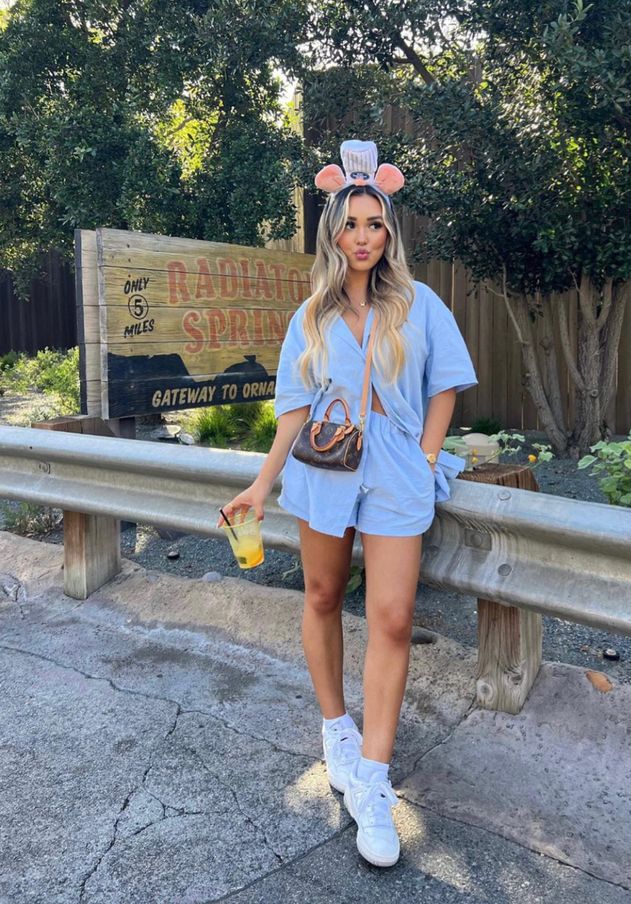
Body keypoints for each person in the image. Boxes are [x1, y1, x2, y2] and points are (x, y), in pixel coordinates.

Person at [218, 140, 477, 868]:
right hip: (324, 472)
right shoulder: (310, 316)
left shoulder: (418, 304)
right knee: (324, 595)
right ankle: (334, 727)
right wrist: (260, 484)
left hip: (398, 473)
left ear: (389, 233)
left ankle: (372, 778)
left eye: (375, 223)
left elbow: (445, 386)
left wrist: (427, 459)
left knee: (393, 618)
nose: (363, 236)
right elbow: (295, 411)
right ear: (333, 234)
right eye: (351, 224)